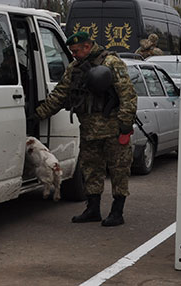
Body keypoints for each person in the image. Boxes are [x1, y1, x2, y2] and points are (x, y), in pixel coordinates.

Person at [34, 31, 137, 227]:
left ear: (87, 47)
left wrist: (125, 124)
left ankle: (117, 211)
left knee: (119, 170)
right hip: (89, 130)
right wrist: (39, 114)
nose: (73, 54)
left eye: (76, 51)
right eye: (72, 51)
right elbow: (60, 94)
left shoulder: (112, 63)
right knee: (91, 169)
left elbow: (128, 95)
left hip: (113, 129)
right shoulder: (75, 68)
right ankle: (93, 209)